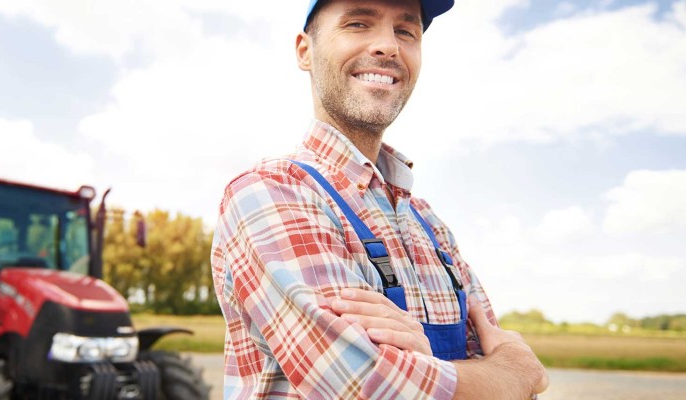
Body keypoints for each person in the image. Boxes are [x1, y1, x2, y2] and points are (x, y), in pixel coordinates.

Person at [211, 0, 548, 398]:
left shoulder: (430, 224)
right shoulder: (269, 193)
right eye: (357, 23)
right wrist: (511, 373)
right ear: (305, 50)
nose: (388, 46)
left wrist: (426, 368)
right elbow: (366, 387)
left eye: (406, 31)